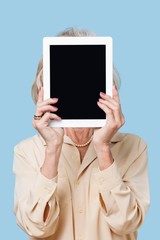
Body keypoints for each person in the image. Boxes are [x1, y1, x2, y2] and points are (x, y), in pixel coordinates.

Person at [13, 27, 150, 240]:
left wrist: (104, 149)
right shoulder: (27, 152)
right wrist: (52, 150)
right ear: (44, 89)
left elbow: (127, 223)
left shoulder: (135, 147)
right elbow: (35, 227)